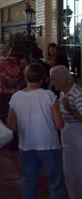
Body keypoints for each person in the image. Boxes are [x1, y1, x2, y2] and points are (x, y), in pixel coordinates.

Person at [8, 64, 65, 199]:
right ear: (43, 79)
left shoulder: (16, 97)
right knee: (55, 182)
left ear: (25, 77)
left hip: (26, 145)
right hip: (49, 144)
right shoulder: (48, 95)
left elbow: (11, 125)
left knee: (29, 182)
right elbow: (59, 124)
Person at [50, 65, 82, 199]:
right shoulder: (64, 91)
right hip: (69, 136)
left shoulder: (77, 93)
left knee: (75, 172)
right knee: (69, 172)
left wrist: (69, 110)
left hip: (77, 136)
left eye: (53, 80)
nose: (51, 83)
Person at [0, 47, 27, 121]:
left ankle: (3, 132)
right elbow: (25, 81)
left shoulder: (2, 62)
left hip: (1, 93)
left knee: (1, 116)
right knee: (15, 117)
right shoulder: (22, 65)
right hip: (16, 94)